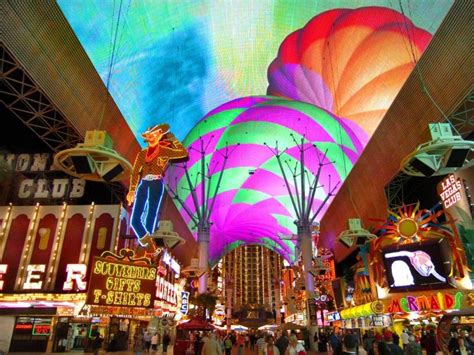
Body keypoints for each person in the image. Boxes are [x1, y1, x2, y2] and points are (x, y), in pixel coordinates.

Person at [127, 123, 188, 251]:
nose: (153, 137)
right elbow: (135, 171)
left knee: (151, 215)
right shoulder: (142, 154)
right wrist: (132, 190)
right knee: (135, 220)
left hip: (156, 184)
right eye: (150, 135)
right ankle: (147, 241)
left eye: (156, 134)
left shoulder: (164, 151)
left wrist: (173, 140)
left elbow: (183, 153)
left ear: (160, 135)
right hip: (143, 184)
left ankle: (147, 247)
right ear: (147, 137)